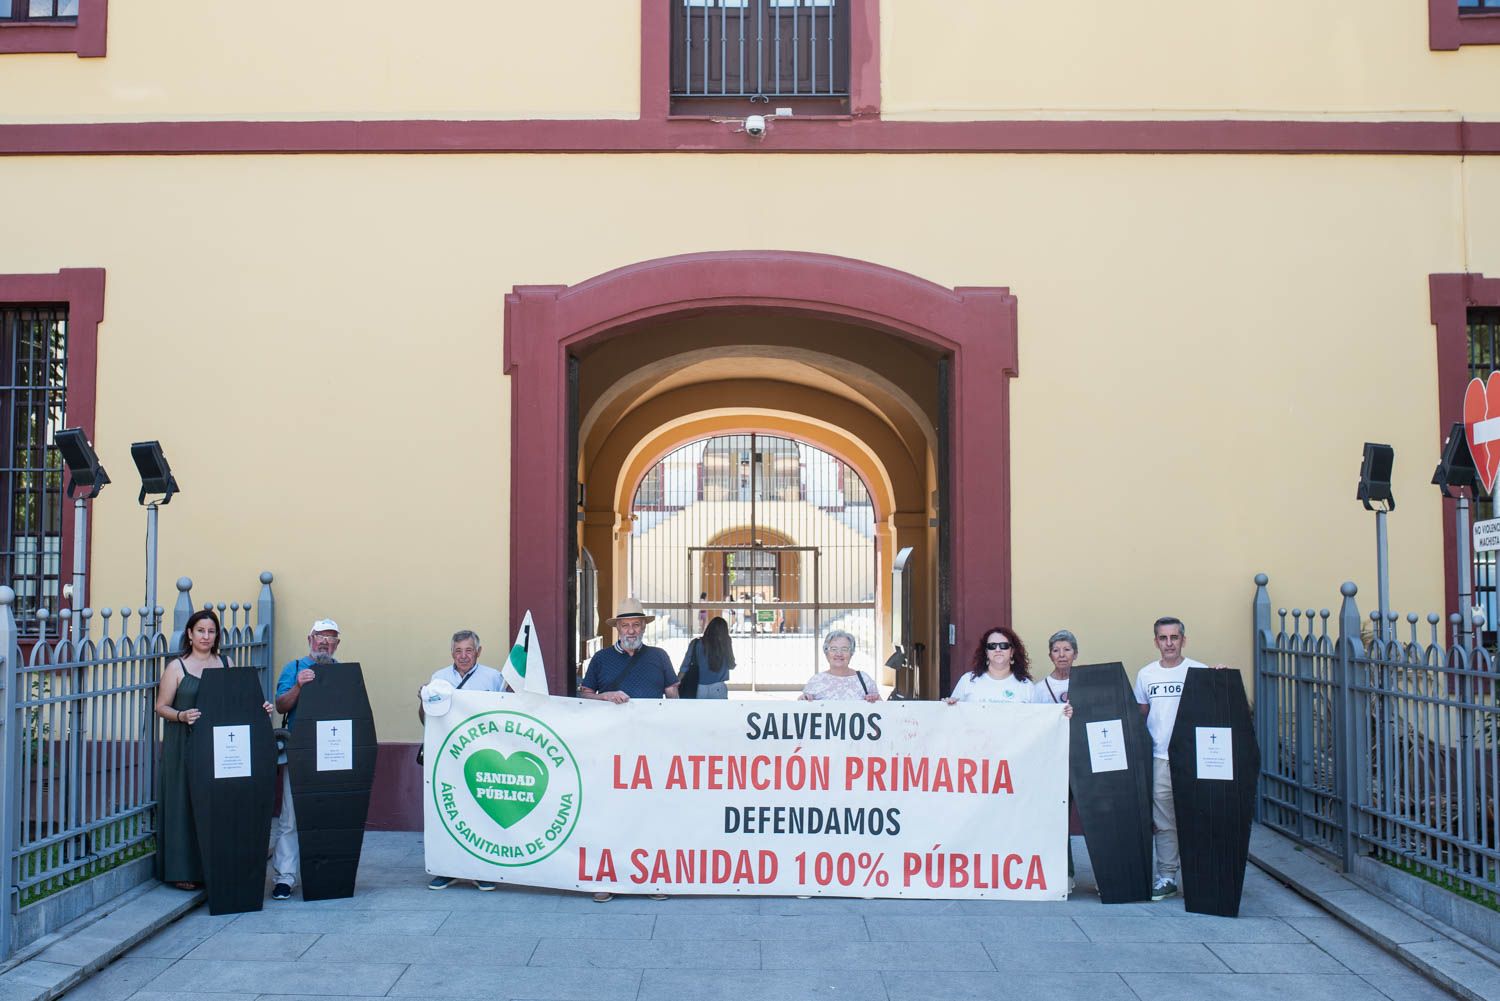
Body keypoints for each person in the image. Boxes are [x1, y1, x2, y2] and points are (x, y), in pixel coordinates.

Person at [154, 609, 273, 890]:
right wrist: (182, 716)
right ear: (190, 634)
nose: (206, 636)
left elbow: (236, 702)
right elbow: (161, 707)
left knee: (216, 804)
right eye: (201, 631)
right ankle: (181, 870)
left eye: (211, 631)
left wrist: (260, 708)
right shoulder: (176, 667)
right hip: (184, 743)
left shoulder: (226, 663)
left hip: (219, 747)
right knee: (184, 802)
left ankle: (214, 866)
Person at [580, 597, 678, 903]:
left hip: (651, 750)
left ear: (643, 627)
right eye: (626, 625)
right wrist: (605, 696)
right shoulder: (601, 659)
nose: (631, 630)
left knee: (650, 813)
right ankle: (605, 879)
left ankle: (652, 879)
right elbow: (584, 694)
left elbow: (674, 696)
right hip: (610, 749)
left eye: (636, 624)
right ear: (617, 629)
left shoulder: (659, 657)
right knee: (609, 812)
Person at [1133, 615, 1229, 902]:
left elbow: (1219, 708)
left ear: (1183, 640)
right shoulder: (1146, 674)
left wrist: (1220, 678)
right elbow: (1140, 716)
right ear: (1156, 642)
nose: (1169, 643)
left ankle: (1202, 877)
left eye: (1174, 637)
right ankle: (1166, 877)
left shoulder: (1199, 671)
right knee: (1164, 822)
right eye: (1163, 638)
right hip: (1160, 758)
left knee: (1198, 818)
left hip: (1194, 760)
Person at [421, 629, 507, 892]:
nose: (463, 656)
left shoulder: (494, 678)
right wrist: (422, 700)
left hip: (483, 756)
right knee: (449, 812)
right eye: (458, 651)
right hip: (449, 757)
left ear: (478, 652)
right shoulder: (439, 678)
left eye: (469, 650)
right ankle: (447, 870)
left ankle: (483, 870)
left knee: (481, 813)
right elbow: (428, 719)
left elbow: (505, 713)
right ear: (452, 653)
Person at [268, 618, 342, 901]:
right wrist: (299, 686)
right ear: (309, 639)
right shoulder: (294, 668)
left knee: (330, 815)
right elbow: (281, 704)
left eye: (330, 638)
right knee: (290, 817)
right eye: (320, 636)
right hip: (299, 750)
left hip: (333, 753)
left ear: (337, 644)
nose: (324, 642)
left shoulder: (343, 672)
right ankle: (285, 877)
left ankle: (327, 873)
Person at [1034, 629, 1079, 890]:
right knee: (1058, 818)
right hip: (1055, 759)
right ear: (1050, 655)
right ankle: (1066, 873)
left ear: (1075, 654)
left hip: (1082, 759)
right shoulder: (1040, 689)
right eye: (1056, 650)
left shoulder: (1086, 683)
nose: (1061, 655)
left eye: (1067, 650)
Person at [946, 626, 1040, 705]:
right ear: (986, 652)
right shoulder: (967, 681)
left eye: (1004, 645)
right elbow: (953, 716)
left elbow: (1036, 720)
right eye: (992, 646)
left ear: (1012, 652)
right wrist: (949, 705)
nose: (998, 649)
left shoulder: (1026, 686)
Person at [800, 630, 880, 702]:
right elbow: (802, 711)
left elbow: (883, 710)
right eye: (833, 649)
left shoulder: (864, 679)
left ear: (851, 653)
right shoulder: (816, 680)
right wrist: (803, 699)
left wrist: (875, 700)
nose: (839, 654)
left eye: (844, 649)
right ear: (826, 653)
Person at [679, 615, 735, 699]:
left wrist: (678, 682)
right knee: (720, 712)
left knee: (700, 712)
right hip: (718, 687)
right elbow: (731, 665)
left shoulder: (696, 643)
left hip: (698, 687)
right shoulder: (725, 642)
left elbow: (685, 667)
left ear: (709, 628)